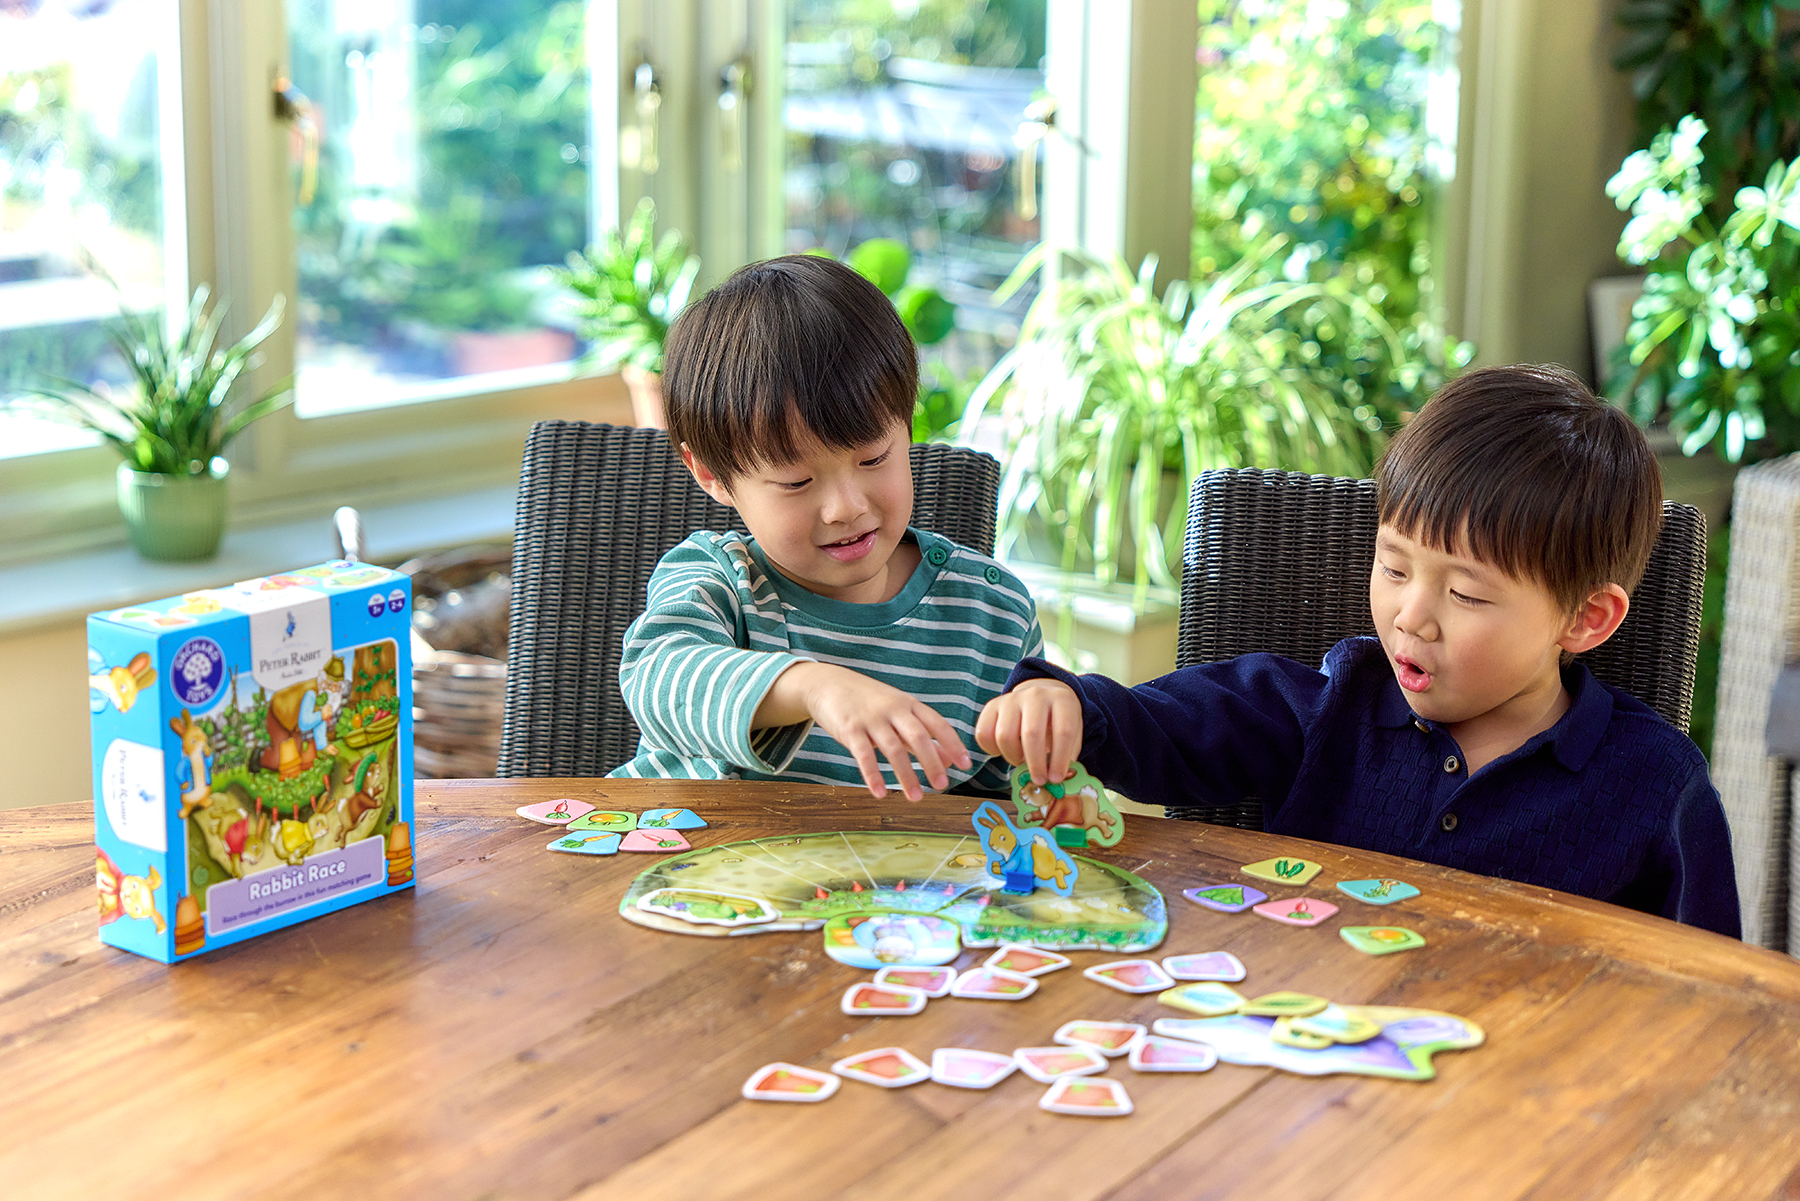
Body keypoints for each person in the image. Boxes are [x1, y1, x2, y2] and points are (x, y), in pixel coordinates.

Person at [976, 364, 1740, 936]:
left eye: (1466, 594)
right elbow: (1168, 725)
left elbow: (1711, 996)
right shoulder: (1331, 705)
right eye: (1395, 567)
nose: (1411, 617)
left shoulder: (1655, 785)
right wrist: (1066, 701)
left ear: (1585, 619)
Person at [609, 254, 1043, 800]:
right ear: (712, 475)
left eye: (873, 458)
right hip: (685, 847)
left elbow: (1005, 811)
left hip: (886, 858)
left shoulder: (993, 615)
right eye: (796, 482)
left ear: (907, 429)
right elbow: (658, 679)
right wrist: (813, 687)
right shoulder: (718, 581)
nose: (845, 508)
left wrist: (1052, 779)